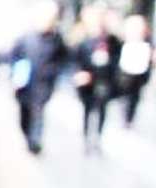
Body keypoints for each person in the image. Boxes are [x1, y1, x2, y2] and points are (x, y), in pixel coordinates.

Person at [11, 1, 70, 154]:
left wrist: (55, 72)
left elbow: (64, 59)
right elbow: (14, 57)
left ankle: (35, 141)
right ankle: (28, 136)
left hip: (44, 84)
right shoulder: (25, 38)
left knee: (38, 113)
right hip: (25, 85)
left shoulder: (57, 39)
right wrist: (16, 75)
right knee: (25, 115)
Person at [72, 3, 122, 150]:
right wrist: (80, 74)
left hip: (104, 81)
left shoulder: (113, 41)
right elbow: (76, 59)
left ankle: (98, 138)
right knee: (87, 110)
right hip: (88, 81)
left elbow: (117, 59)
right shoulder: (85, 40)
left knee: (102, 110)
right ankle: (86, 137)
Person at [121, 15, 153, 126]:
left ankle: (129, 119)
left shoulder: (147, 43)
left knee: (134, 97)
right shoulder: (125, 42)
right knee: (125, 96)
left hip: (140, 73)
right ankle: (125, 116)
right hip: (126, 72)